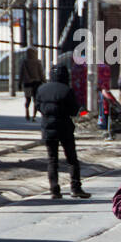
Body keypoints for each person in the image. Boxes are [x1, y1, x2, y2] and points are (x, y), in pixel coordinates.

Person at [34, 62, 90, 200]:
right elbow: (74, 110)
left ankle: (54, 190)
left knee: (52, 160)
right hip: (64, 127)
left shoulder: (41, 89)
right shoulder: (67, 90)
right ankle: (75, 188)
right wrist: (83, 113)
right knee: (71, 159)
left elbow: (38, 106)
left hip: (48, 128)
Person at [20, 48, 46, 120]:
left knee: (28, 99)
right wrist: (45, 81)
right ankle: (34, 116)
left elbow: (21, 73)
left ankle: (27, 111)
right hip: (37, 83)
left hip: (27, 83)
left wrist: (19, 83)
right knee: (35, 100)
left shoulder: (24, 62)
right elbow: (41, 73)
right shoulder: (37, 62)